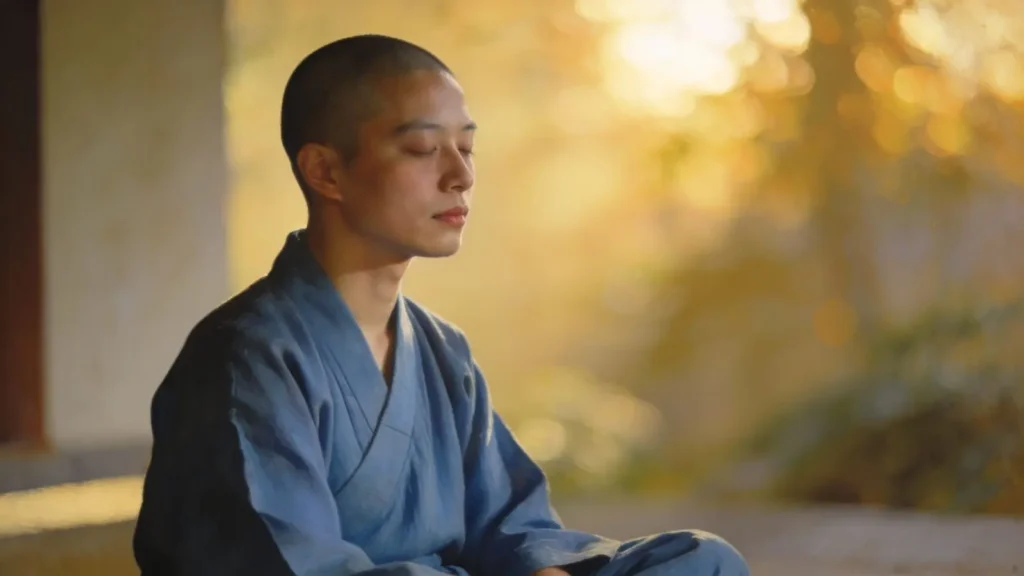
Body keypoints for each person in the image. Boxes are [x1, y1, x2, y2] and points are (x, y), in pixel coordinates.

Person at [132, 34, 750, 576]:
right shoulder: (245, 357)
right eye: (424, 150)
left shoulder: (440, 349)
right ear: (326, 170)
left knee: (701, 560)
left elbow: (511, 527)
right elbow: (283, 560)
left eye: (467, 148)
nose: (460, 176)